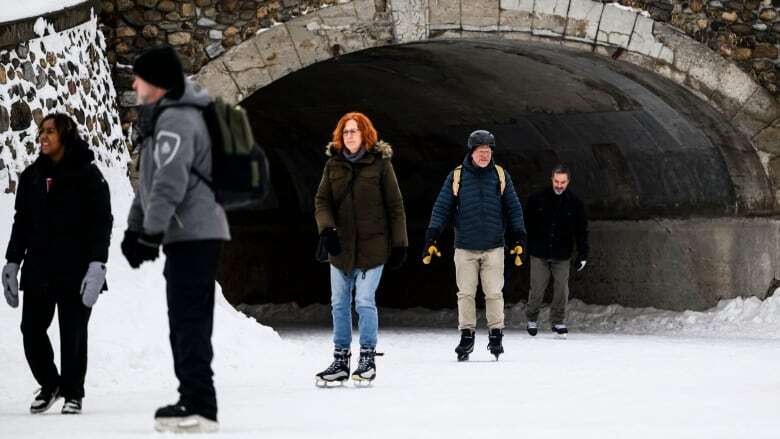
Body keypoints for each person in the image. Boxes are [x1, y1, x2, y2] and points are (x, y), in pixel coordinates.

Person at [121, 45, 230, 433]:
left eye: (138, 77)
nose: (133, 83)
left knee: (189, 320)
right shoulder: (163, 118)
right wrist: (137, 228)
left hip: (196, 233)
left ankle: (200, 403)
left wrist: (150, 233)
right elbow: (147, 183)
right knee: (183, 319)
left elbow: (170, 181)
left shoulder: (178, 120)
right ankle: (193, 397)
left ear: (156, 82)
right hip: (187, 234)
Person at [2, 113, 112, 415]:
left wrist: (97, 264)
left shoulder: (89, 175)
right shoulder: (31, 177)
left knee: (73, 332)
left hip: (77, 268)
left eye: (50, 132)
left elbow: (102, 222)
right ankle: (50, 383)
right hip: (39, 267)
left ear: (65, 135)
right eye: (41, 132)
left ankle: (73, 392)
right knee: (30, 329)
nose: (43, 137)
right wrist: (12, 262)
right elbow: (21, 222)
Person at [314, 112, 408, 386]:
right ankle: (341, 359)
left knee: (364, 301)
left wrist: (400, 243)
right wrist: (327, 229)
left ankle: (367, 357)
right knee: (339, 303)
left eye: (354, 131)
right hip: (340, 247)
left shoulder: (380, 165)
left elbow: (395, 206)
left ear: (365, 134)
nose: (349, 136)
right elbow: (322, 201)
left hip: (372, 246)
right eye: (345, 132)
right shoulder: (333, 165)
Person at [423, 130, 526, 361]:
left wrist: (519, 237)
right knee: (466, 294)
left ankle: (496, 334)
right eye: (480, 152)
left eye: (488, 152)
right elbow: (442, 207)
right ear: (472, 152)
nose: (484, 156)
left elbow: (514, 208)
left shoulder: (501, 175)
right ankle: (467, 335)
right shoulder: (457, 177)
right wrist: (432, 236)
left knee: (493, 292)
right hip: (465, 247)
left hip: (494, 247)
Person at [524, 164, 588, 338]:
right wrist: (523, 247)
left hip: (562, 253)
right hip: (539, 252)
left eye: (563, 182)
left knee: (561, 289)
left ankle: (558, 321)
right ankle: (532, 317)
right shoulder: (537, 199)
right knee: (537, 288)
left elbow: (581, 231)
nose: (559, 185)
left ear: (568, 182)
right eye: (556, 181)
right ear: (551, 179)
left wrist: (583, 254)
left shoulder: (575, 203)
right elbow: (526, 225)